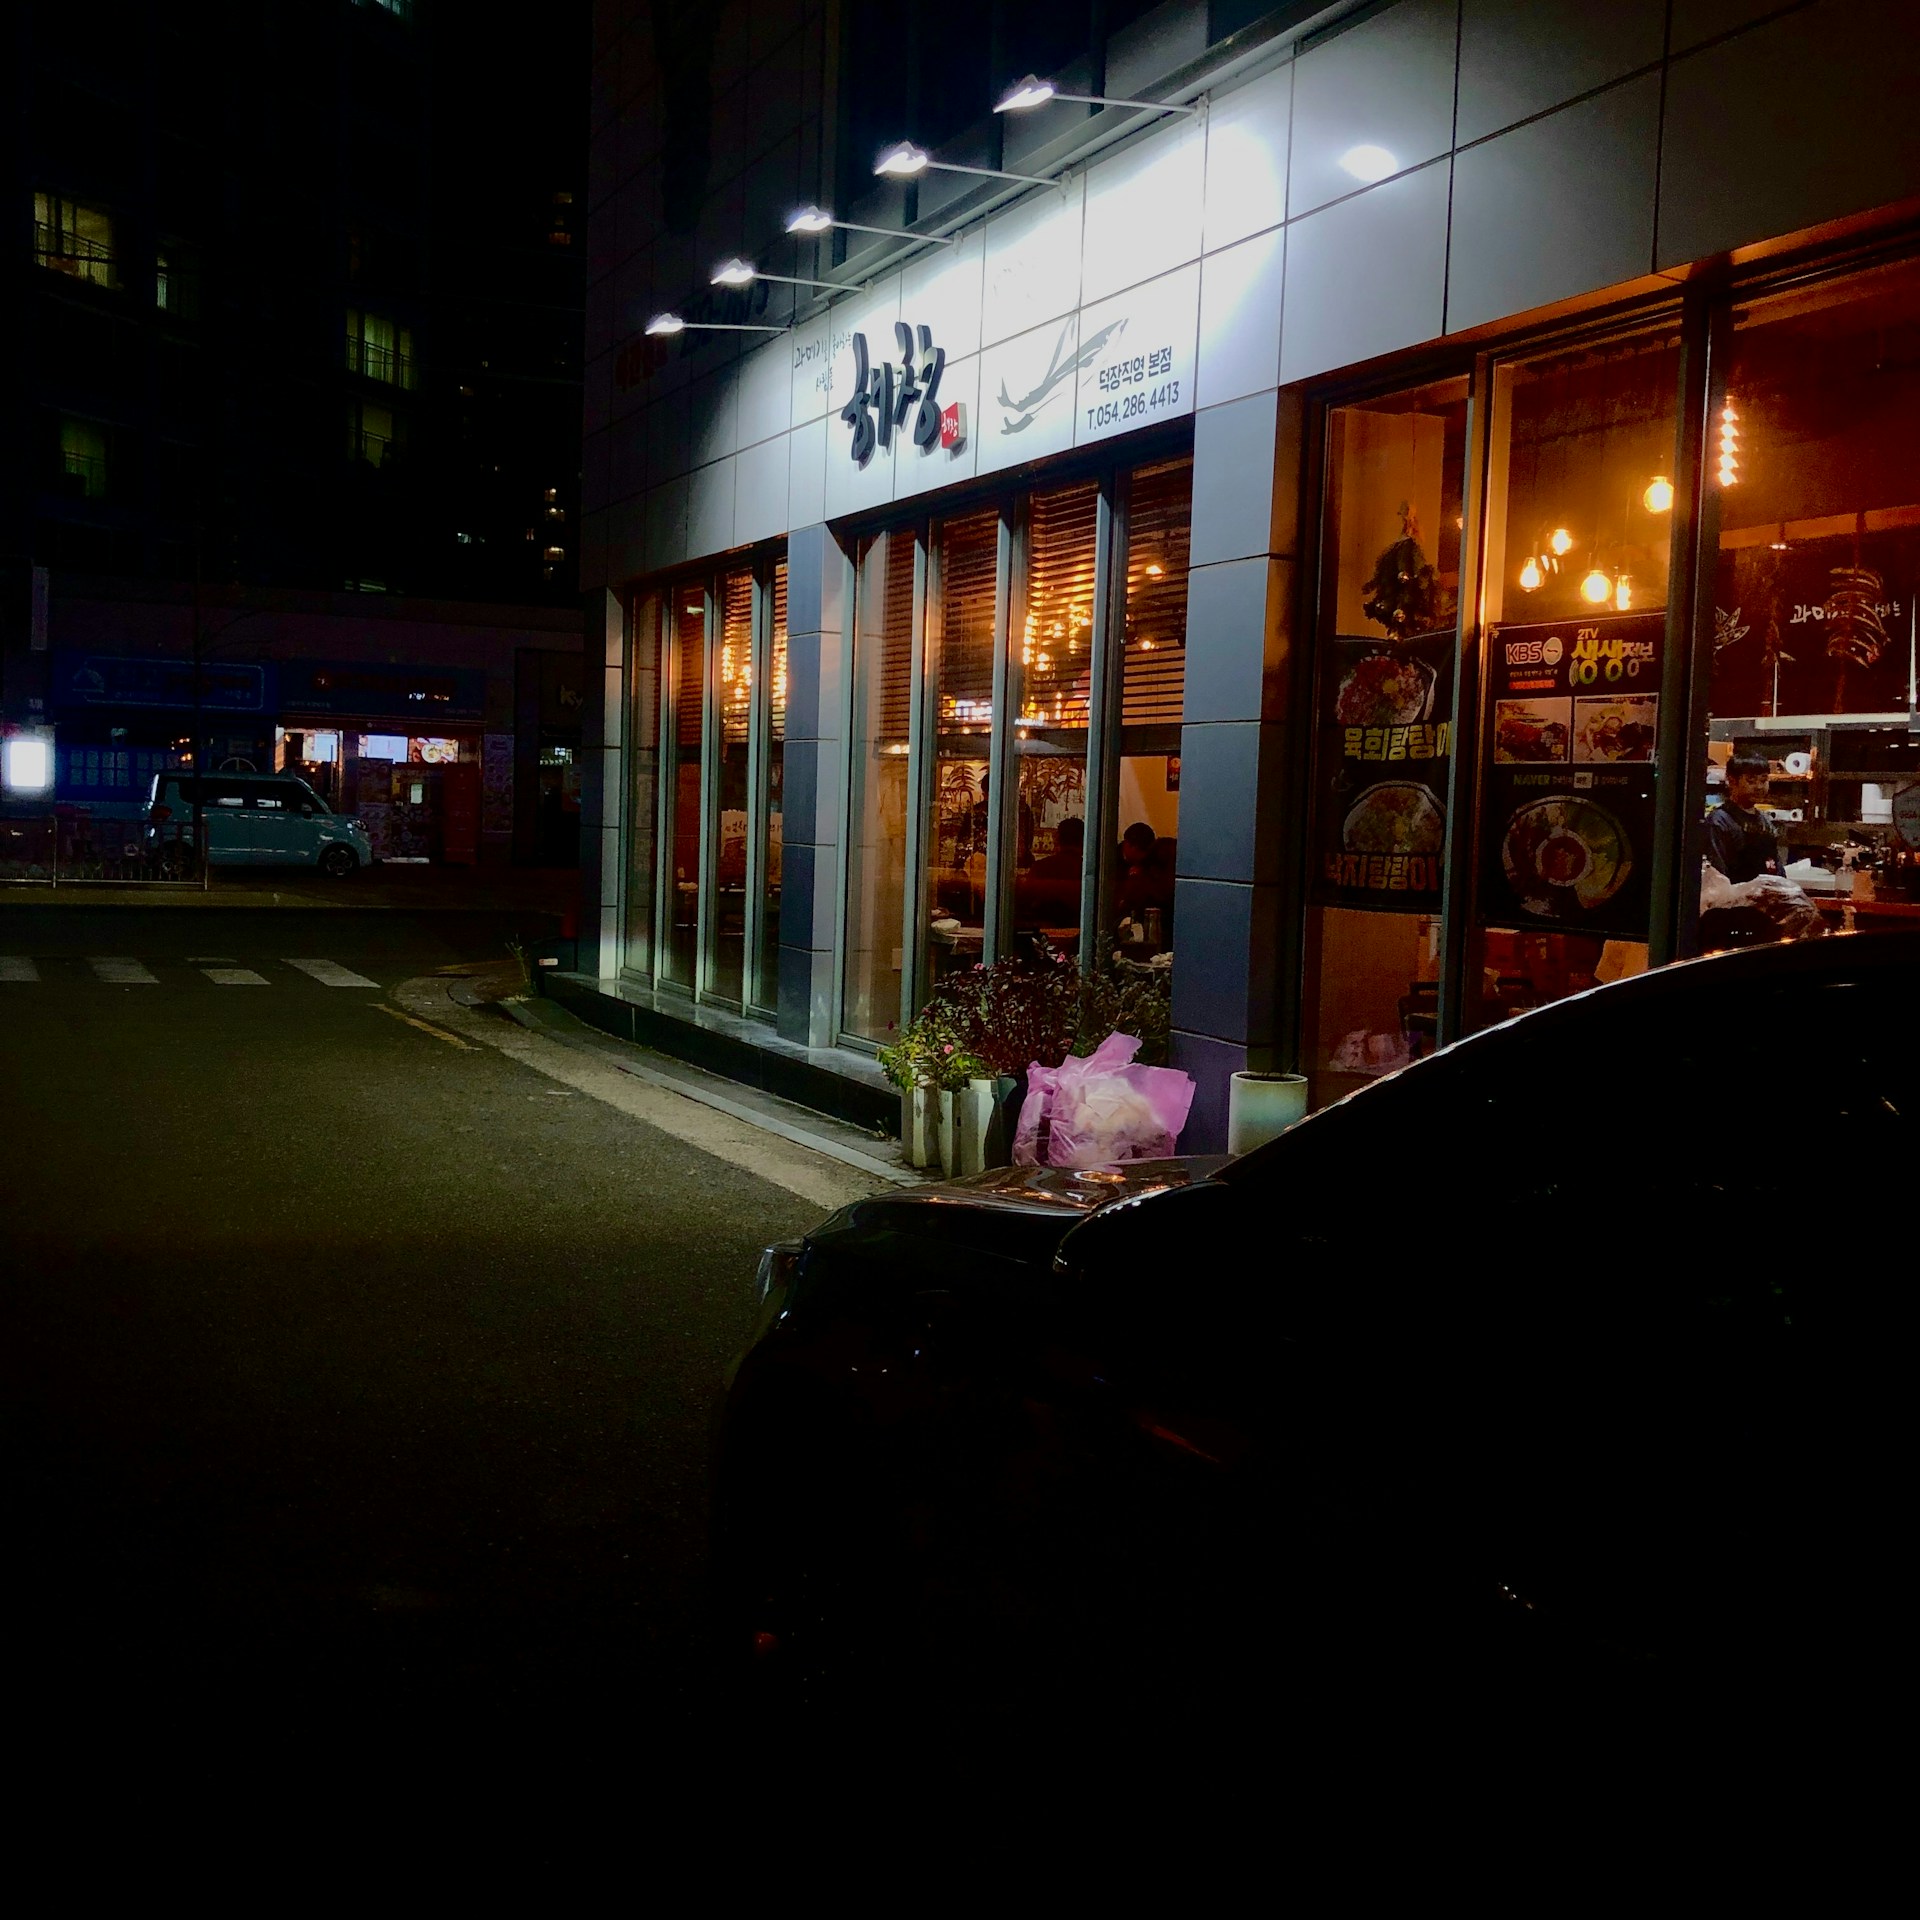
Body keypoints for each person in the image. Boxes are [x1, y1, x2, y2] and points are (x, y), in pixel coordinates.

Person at [1699, 749, 1820, 947]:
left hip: (1765, 915)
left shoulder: (1764, 821)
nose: (1759, 786)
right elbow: (1717, 880)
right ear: (1732, 780)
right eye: (1751, 780)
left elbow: (1776, 868)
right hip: (1731, 919)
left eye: (1763, 780)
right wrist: (1746, 895)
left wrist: (1783, 894)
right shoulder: (1719, 822)